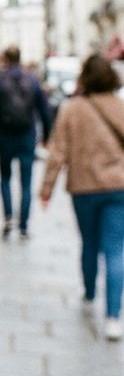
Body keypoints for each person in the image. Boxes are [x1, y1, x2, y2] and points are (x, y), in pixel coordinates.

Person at [39, 54, 124, 342]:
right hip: (118, 187)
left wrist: (46, 189)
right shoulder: (120, 106)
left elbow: (58, 152)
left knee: (90, 242)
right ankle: (113, 317)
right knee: (116, 249)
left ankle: (89, 294)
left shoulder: (71, 109)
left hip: (84, 187)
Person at [0, 46, 51, 239]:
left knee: (5, 178)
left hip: (5, 135)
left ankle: (8, 217)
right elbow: (44, 110)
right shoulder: (32, 79)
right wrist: (46, 136)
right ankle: (23, 224)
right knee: (26, 181)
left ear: (6, 58)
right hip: (26, 134)